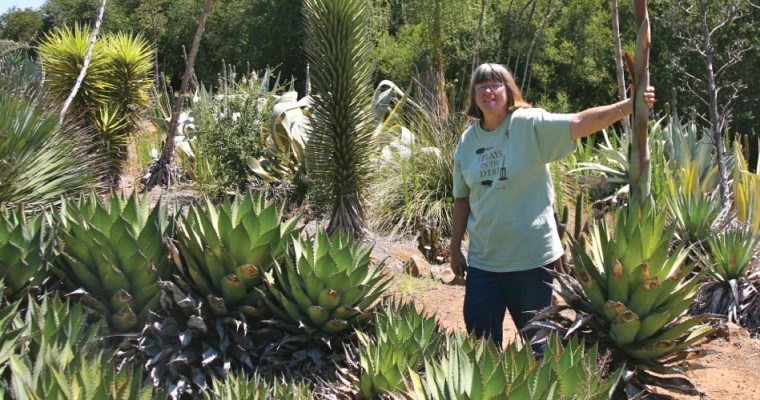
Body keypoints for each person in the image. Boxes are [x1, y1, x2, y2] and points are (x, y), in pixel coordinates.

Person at [449, 63, 656, 353]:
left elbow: (579, 123)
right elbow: (462, 198)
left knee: (541, 346)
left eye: (495, 84)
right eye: (481, 85)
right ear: (474, 96)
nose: (487, 90)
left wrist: (626, 106)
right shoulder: (467, 142)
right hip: (485, 261)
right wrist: (455, 246)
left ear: (509, 92)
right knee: (481, 344)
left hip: (531, 261)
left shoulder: (529, 124)